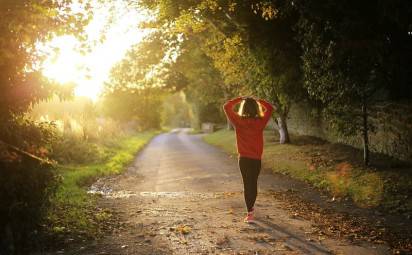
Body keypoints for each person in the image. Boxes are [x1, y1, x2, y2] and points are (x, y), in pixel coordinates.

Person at [223, 96, 274, 223]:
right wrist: (259, 100)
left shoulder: (238, 121)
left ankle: (249, 213)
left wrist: (239, 99)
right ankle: (251, 210)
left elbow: (226, 107)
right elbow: (270, 108)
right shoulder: (260, 122)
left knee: (247, 184)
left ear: (243, 108)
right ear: (256, 108)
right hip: (256, 159)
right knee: (253, 183)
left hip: (244, 159)